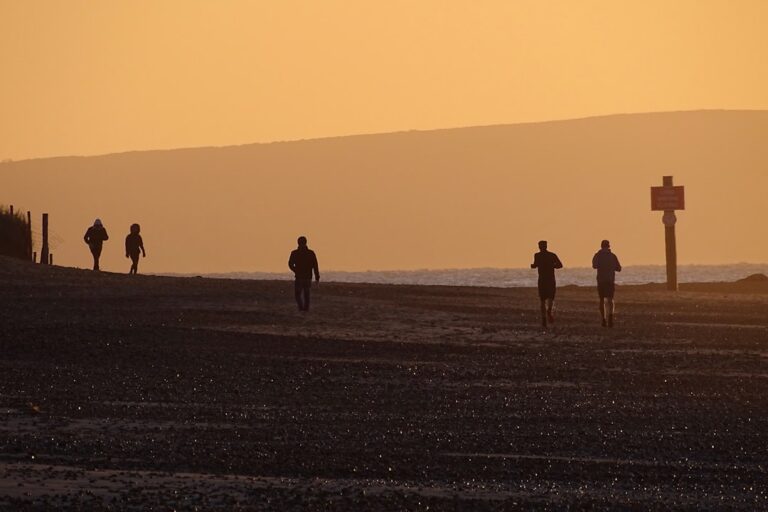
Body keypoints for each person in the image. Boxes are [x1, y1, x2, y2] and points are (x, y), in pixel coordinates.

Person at [530, 240, 563, 328]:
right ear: (546, 246)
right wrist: (552, 266)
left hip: (542, 280)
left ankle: (544, 318)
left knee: (542, 300)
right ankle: (549, 311)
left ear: (539, 247)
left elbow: (535, 265)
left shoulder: (537, 255)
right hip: (550, 279)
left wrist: (533, 266)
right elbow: (560, 265)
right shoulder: (552, 255)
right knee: (551, 298)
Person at [592, 239, 622, 327]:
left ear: (601, 246)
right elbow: (619, 268)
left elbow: (594, 266)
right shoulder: (613, 256)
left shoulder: (597, 255)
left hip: (601, 280)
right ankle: (610, 317)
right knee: (610, 299)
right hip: (610, 280)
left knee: (601, 300)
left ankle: (603, 319)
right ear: (609, 246)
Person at [288, 236, 320, 312]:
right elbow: (315, 265)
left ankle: (303, 308)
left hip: (301, 277)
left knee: (300, 294)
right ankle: (304, 309)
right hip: (306, 276)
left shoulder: (295, 253)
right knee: (305, 294)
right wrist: (317, 276)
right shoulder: (310, 253)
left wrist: (295, 270)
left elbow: (290, 264)